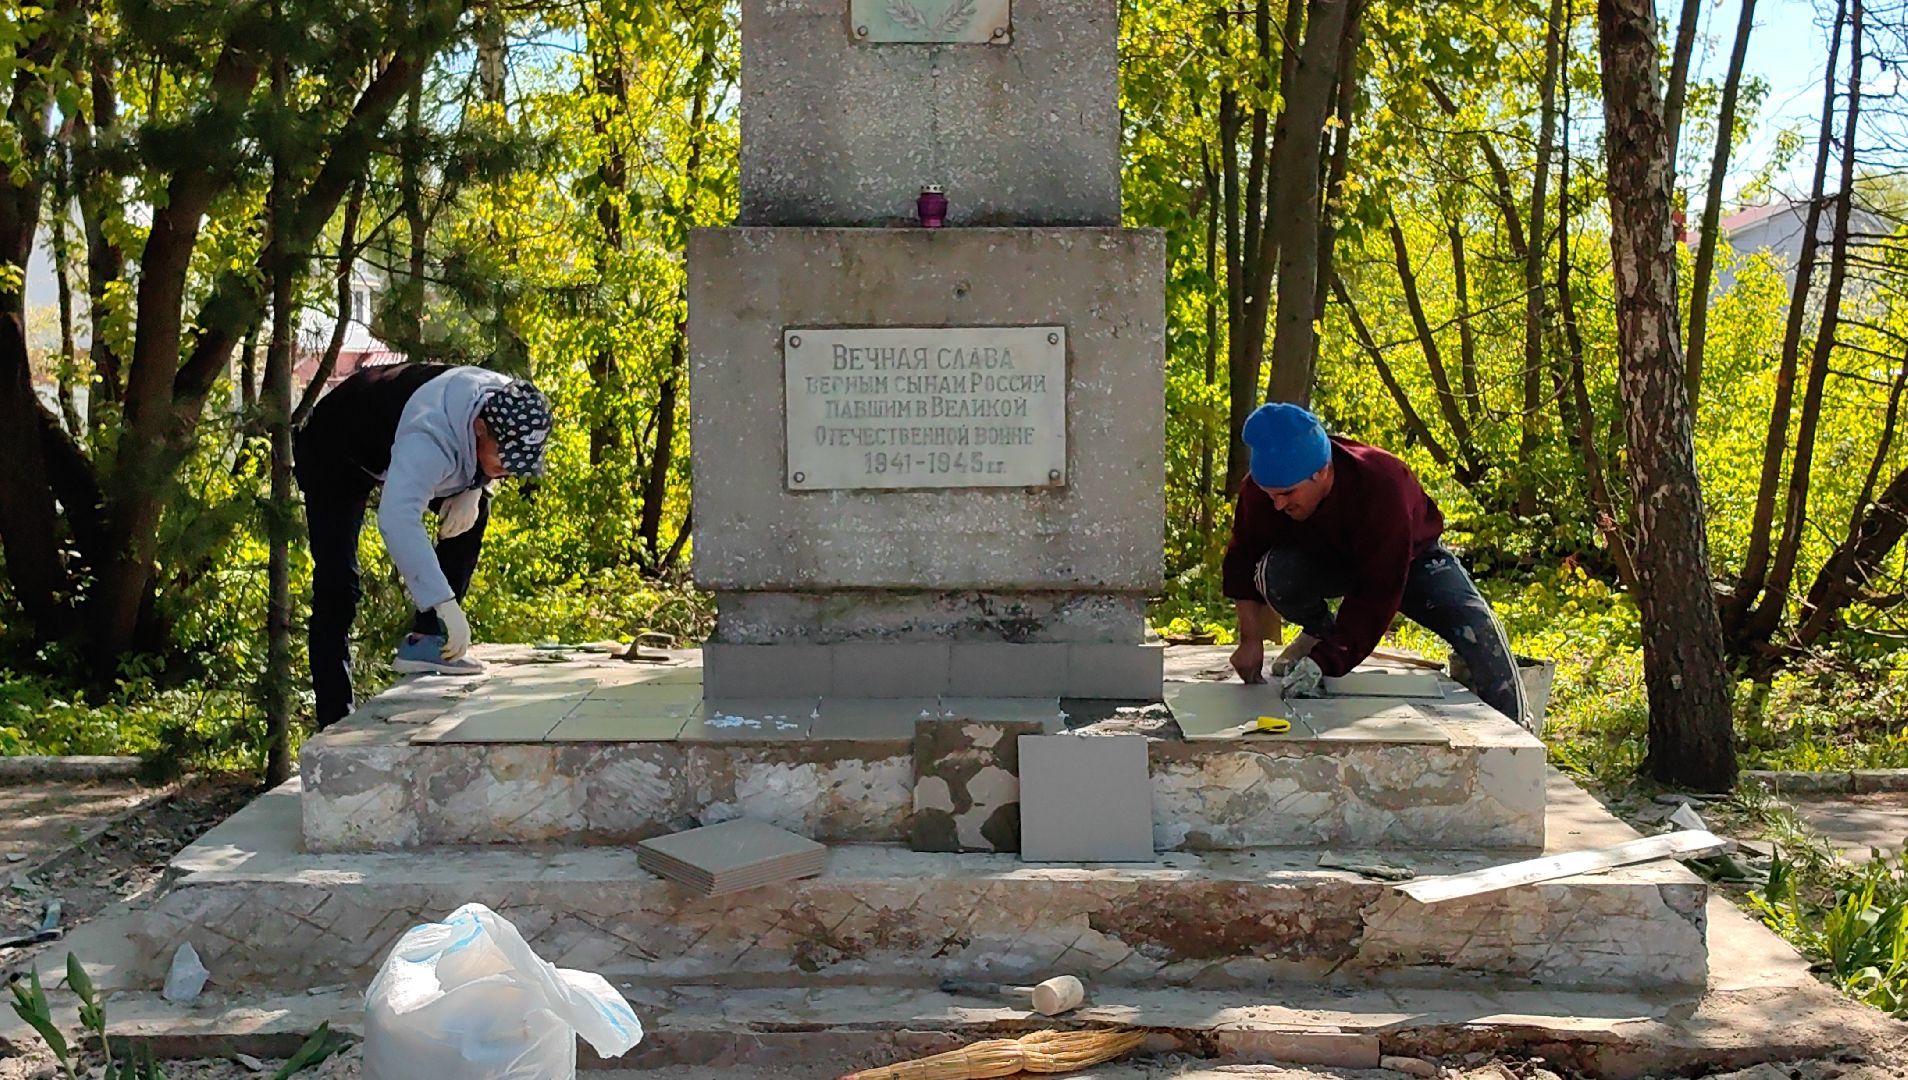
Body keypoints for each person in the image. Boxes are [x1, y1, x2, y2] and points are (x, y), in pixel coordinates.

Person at [1222, 402, 1529, 729]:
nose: (1278, 504)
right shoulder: (1260, 491)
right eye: (1271, 495)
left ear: (1321, 472)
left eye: (1287, 493)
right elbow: (1243, 557)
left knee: (1476, 625)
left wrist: (1328, 663)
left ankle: (1517, 732)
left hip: (1411, 557)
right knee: (1275, 573)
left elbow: (1377, 594)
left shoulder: (1382, 484)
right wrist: (1249, 639)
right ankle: (1318, 632)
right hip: (1324, 558)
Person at [294, 362, 553, 728]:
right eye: (504, 461)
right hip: (336, 449)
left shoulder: (509, 400)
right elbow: (398, 518)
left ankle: (427, 641)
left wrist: (480, 486)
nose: (509, 470)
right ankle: (335, 720)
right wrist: (443, 602)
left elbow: (490, 460)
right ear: (480, 429)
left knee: (473, 511)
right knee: (338, 586)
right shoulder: (430, 436)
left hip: (408, 438)